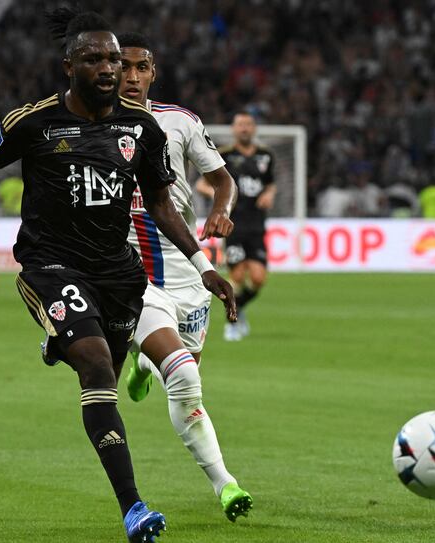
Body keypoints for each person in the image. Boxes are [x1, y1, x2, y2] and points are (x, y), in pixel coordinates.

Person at [0, 8, 236, 542]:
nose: (109, 68)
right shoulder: (31, 122)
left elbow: (162, 205)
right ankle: (134, 508)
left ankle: (64, 339)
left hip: (119, 274)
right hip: (50, 265)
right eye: (95, 59)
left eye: (112, 58)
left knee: (105, 360)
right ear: (68, 66)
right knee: (98, 367)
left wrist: (205, 266)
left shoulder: (141, 128)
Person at [117, 32, 253, 522]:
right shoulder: (89, 127)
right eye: (123, 66)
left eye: (141, 68)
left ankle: (143, 363)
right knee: (186, 378)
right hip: (128, 277)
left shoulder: (180, 122)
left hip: (188, 270)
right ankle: (226, 484)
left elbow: (222, 180)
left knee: (182, 370)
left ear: (153, 74)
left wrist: (222, 210)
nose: (131, 77)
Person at [197, 112, 275, 341]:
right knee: (238, 275)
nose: (244, 128)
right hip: (233, 225)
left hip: (257, 225)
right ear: (233, 129)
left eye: (248, 124)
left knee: (259, 279)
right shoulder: (224, 156)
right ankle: (232, 322)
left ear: (254, 129)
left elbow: (270, 184)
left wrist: (269, 194)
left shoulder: (266, 156)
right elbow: (202, 184)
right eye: (240, 124)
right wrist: (223, 198)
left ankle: (238, 308)